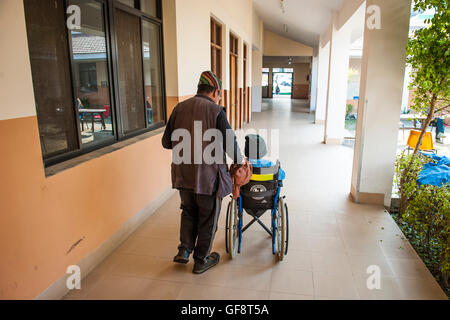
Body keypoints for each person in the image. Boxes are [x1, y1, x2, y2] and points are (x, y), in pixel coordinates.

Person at [162, 71, 243, 274]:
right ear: (215, 91)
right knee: (208, 217)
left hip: (183, 175)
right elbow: (230, 143)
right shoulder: (216, 111)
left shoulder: (179, 108)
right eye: (220, 94)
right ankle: (201, 260)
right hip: (208, 178)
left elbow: (166, 142)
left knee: (188, 211)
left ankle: (184, 250)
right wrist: (240, 161)